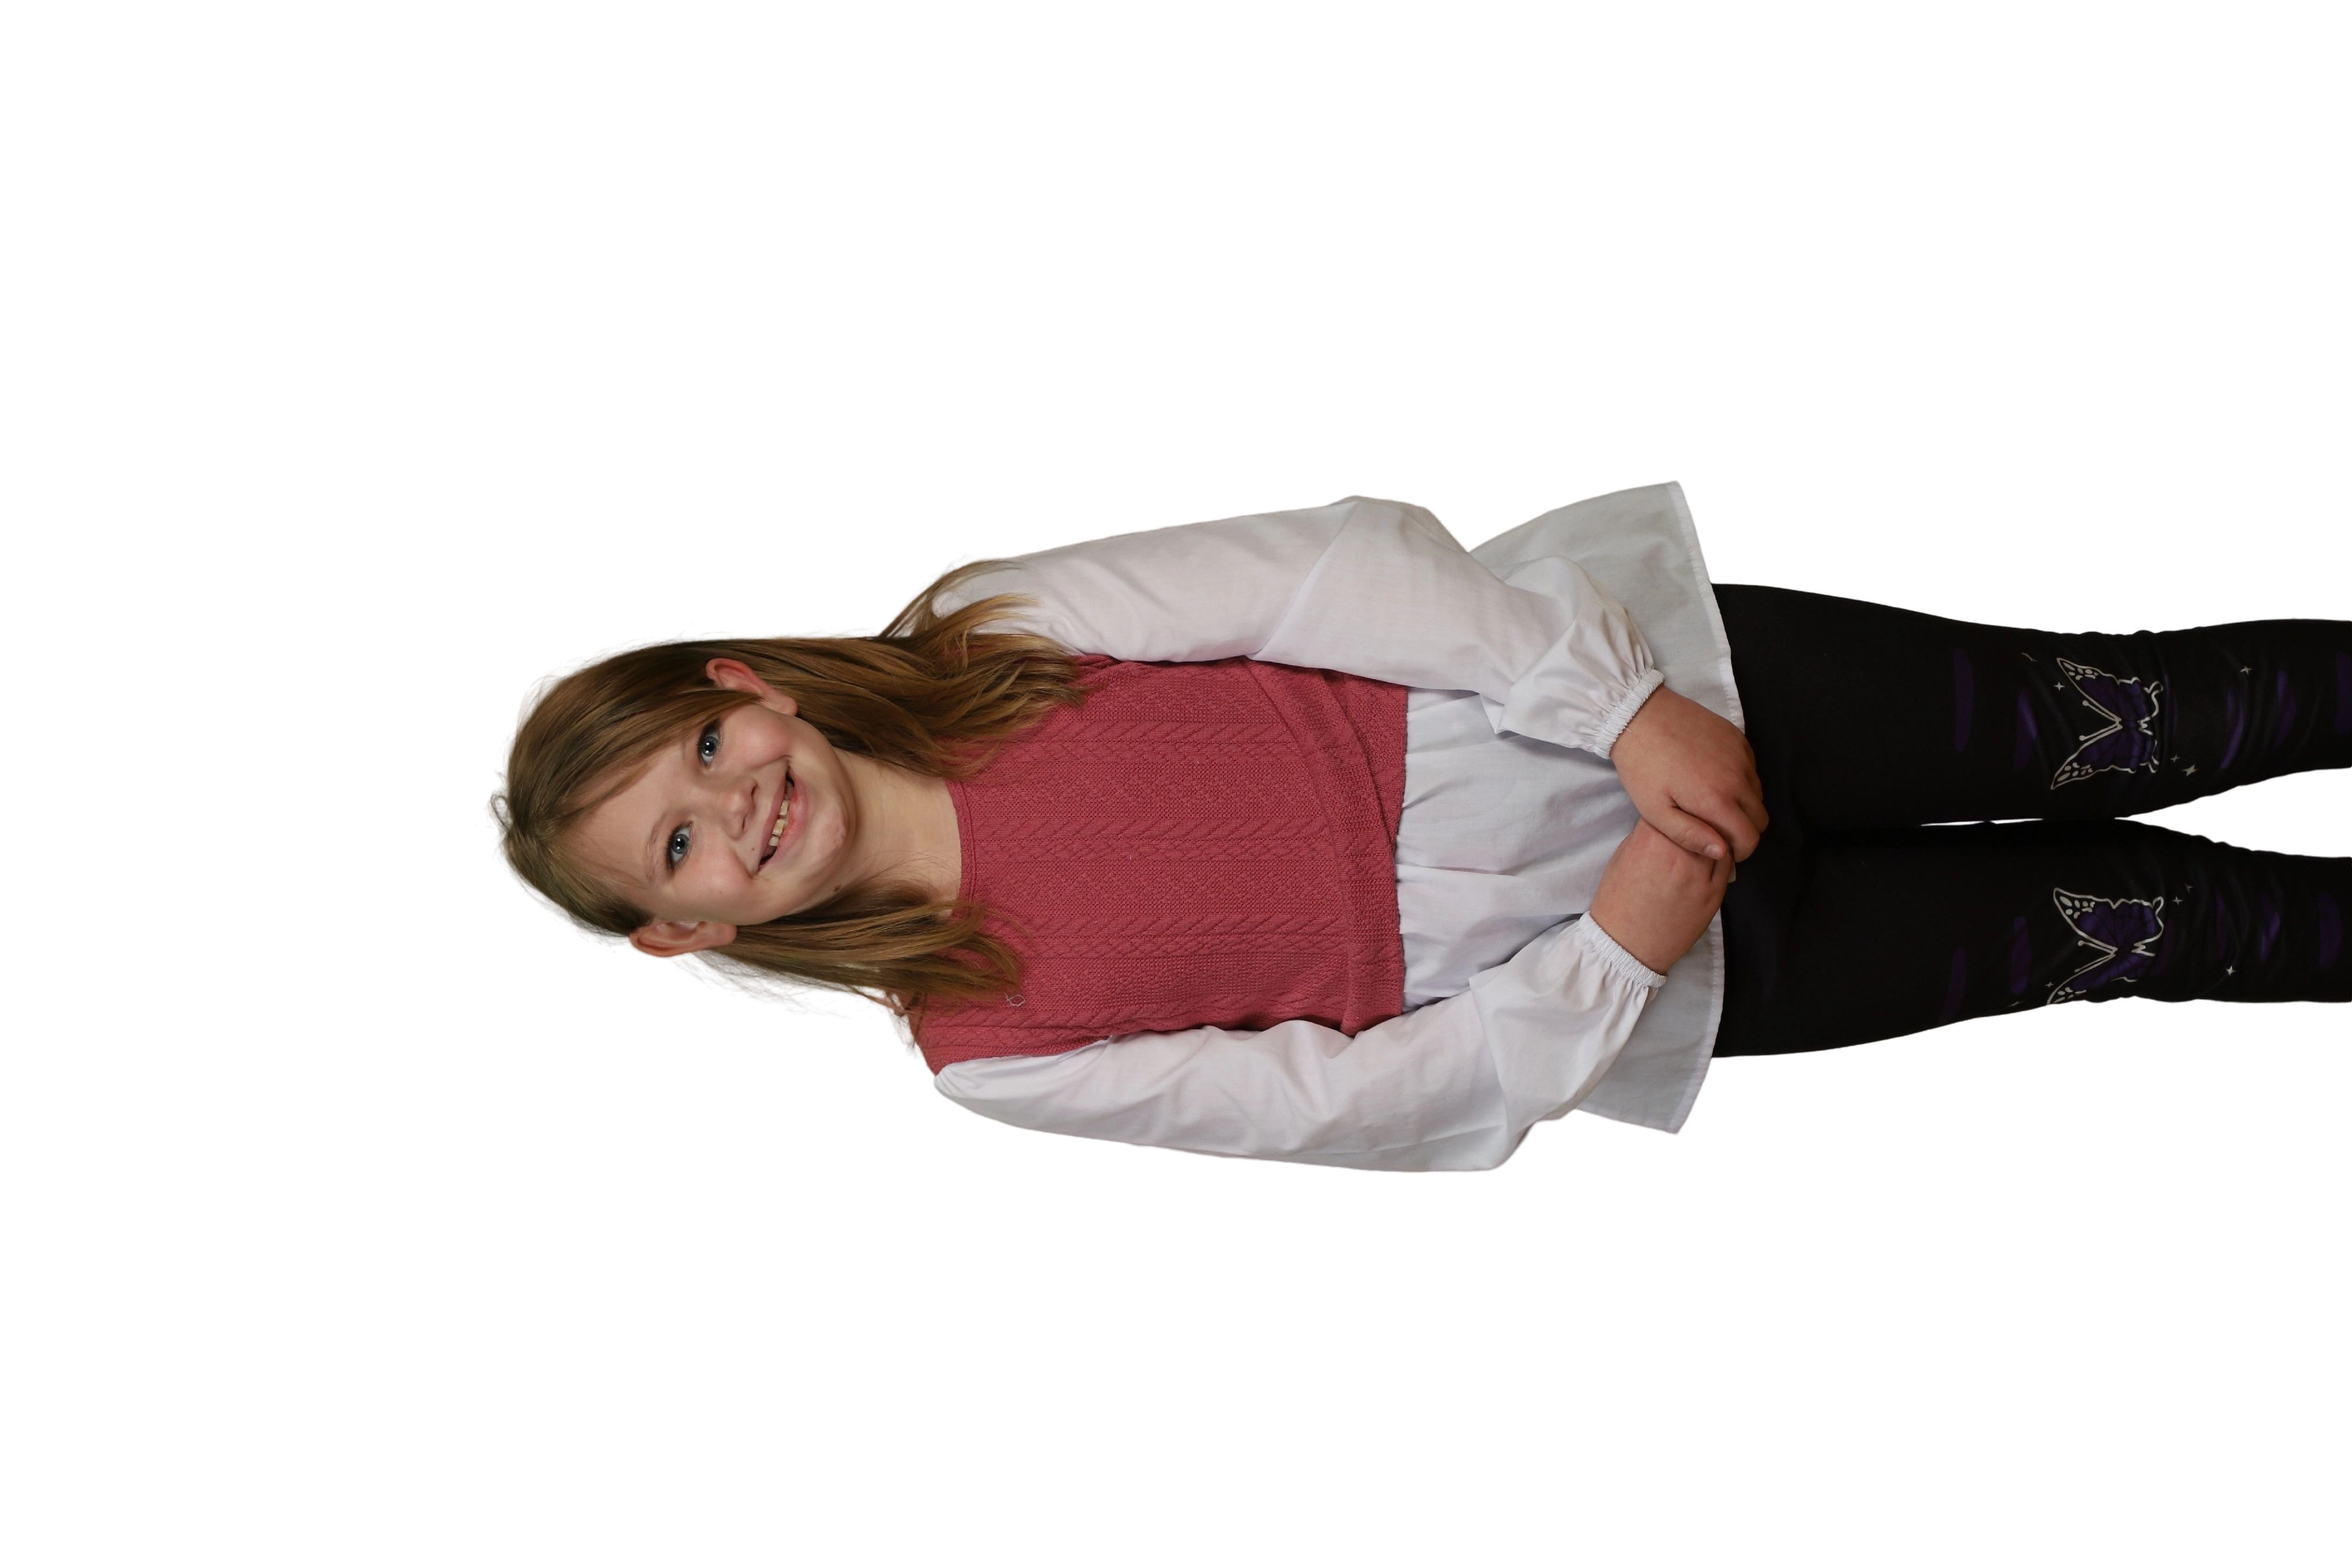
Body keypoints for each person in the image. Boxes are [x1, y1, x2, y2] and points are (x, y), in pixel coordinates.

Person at [478, 482, 2352, 1175]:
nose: (737, 805)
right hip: (1645, 961)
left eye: (705, 746)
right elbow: (1354, 1107)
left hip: (1663, 695)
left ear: (745, 677)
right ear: (682, 936)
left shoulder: (994, 632)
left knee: (2134, 722)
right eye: (679, 849)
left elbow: (1334, 571)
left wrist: (1622, 714)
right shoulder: (990, 1054)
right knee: (2141, 930)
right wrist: (1618, 941)